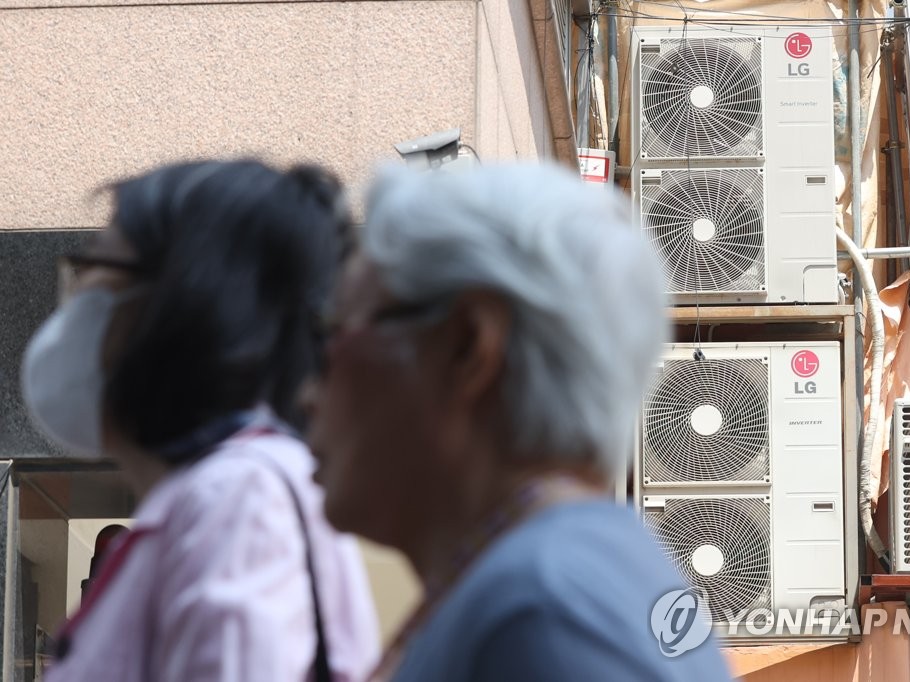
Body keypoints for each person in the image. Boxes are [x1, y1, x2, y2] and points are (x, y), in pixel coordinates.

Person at [302, 162, 733, 681]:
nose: (307, 391)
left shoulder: (547, 611)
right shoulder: (569, 575)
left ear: (467, 347)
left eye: (335, 334)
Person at [21, 160, 379, 681]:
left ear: (178, 306)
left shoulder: (238, 504)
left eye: (92, 274)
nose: (74, 306)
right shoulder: (227, 496)